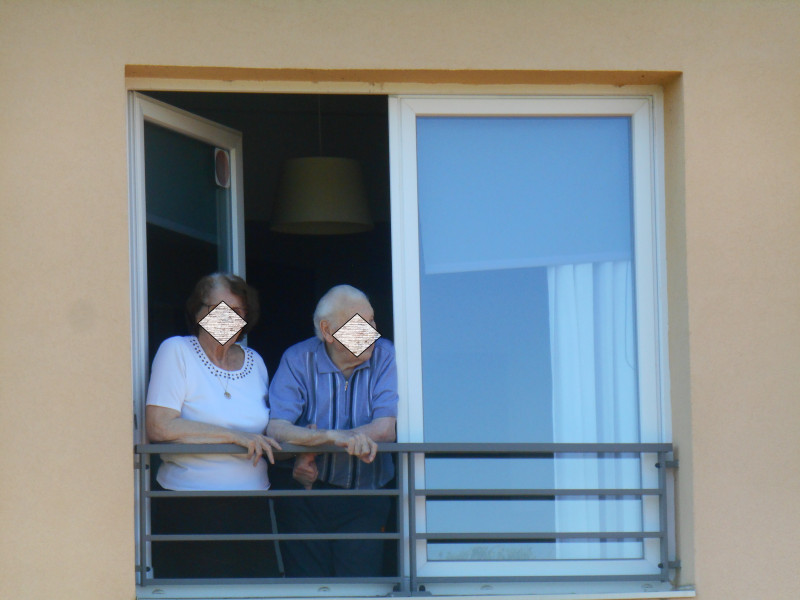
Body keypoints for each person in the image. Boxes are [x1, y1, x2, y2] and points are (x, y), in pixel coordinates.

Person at [145, 273, 282, 578]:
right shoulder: (177, 351)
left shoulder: (256, 361)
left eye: (236, 311)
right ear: (198, 312)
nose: (226, 318)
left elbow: (266, 428)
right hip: (192, 507)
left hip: (253, 506)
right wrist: (234, 437)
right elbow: (159, 426)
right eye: (217, 308)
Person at [267, 284, 398, 578]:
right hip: (307, 495)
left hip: (367, 496)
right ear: (328, 331)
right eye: (360, 324)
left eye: (373, 321)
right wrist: (325, 439)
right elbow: (276, 428)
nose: (372, 331)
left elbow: (386, 428)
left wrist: (311, 446)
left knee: (360, 588)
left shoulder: (386, 356)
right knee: (309, 589)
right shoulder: (298, 359)